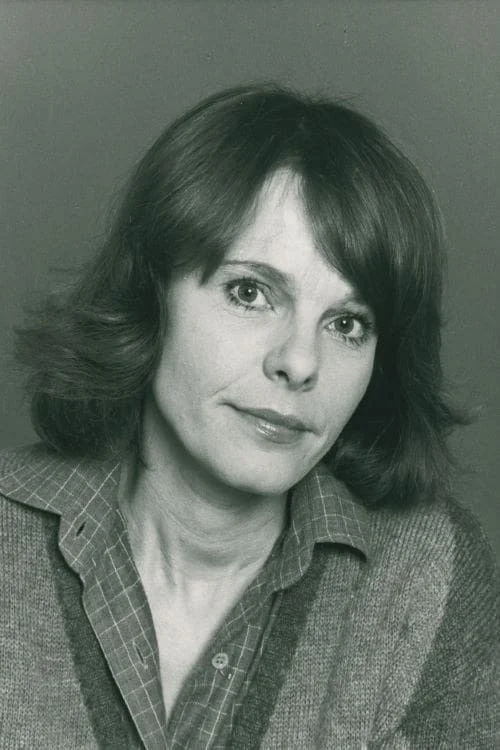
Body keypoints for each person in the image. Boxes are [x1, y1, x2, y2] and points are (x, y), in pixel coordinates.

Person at [0, 84, 498, 749]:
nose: (300, 362)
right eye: (250, 292)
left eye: (347, 324)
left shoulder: (420, 575)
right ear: (151, 293)